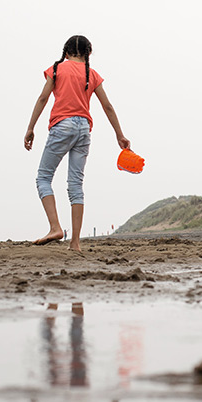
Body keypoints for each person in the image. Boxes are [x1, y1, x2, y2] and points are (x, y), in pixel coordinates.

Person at [24, 35, 130, 252]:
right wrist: (119, 135)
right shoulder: (91, 74)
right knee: (76, 185)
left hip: (62, 126)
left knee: (44, 177)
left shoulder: (56, 69)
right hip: (84, 129)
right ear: (88, 53)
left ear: (66, 51)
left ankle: (55, 227)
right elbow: (107, 106)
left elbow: (43, 98)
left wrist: (31, 127)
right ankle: (75, 244)